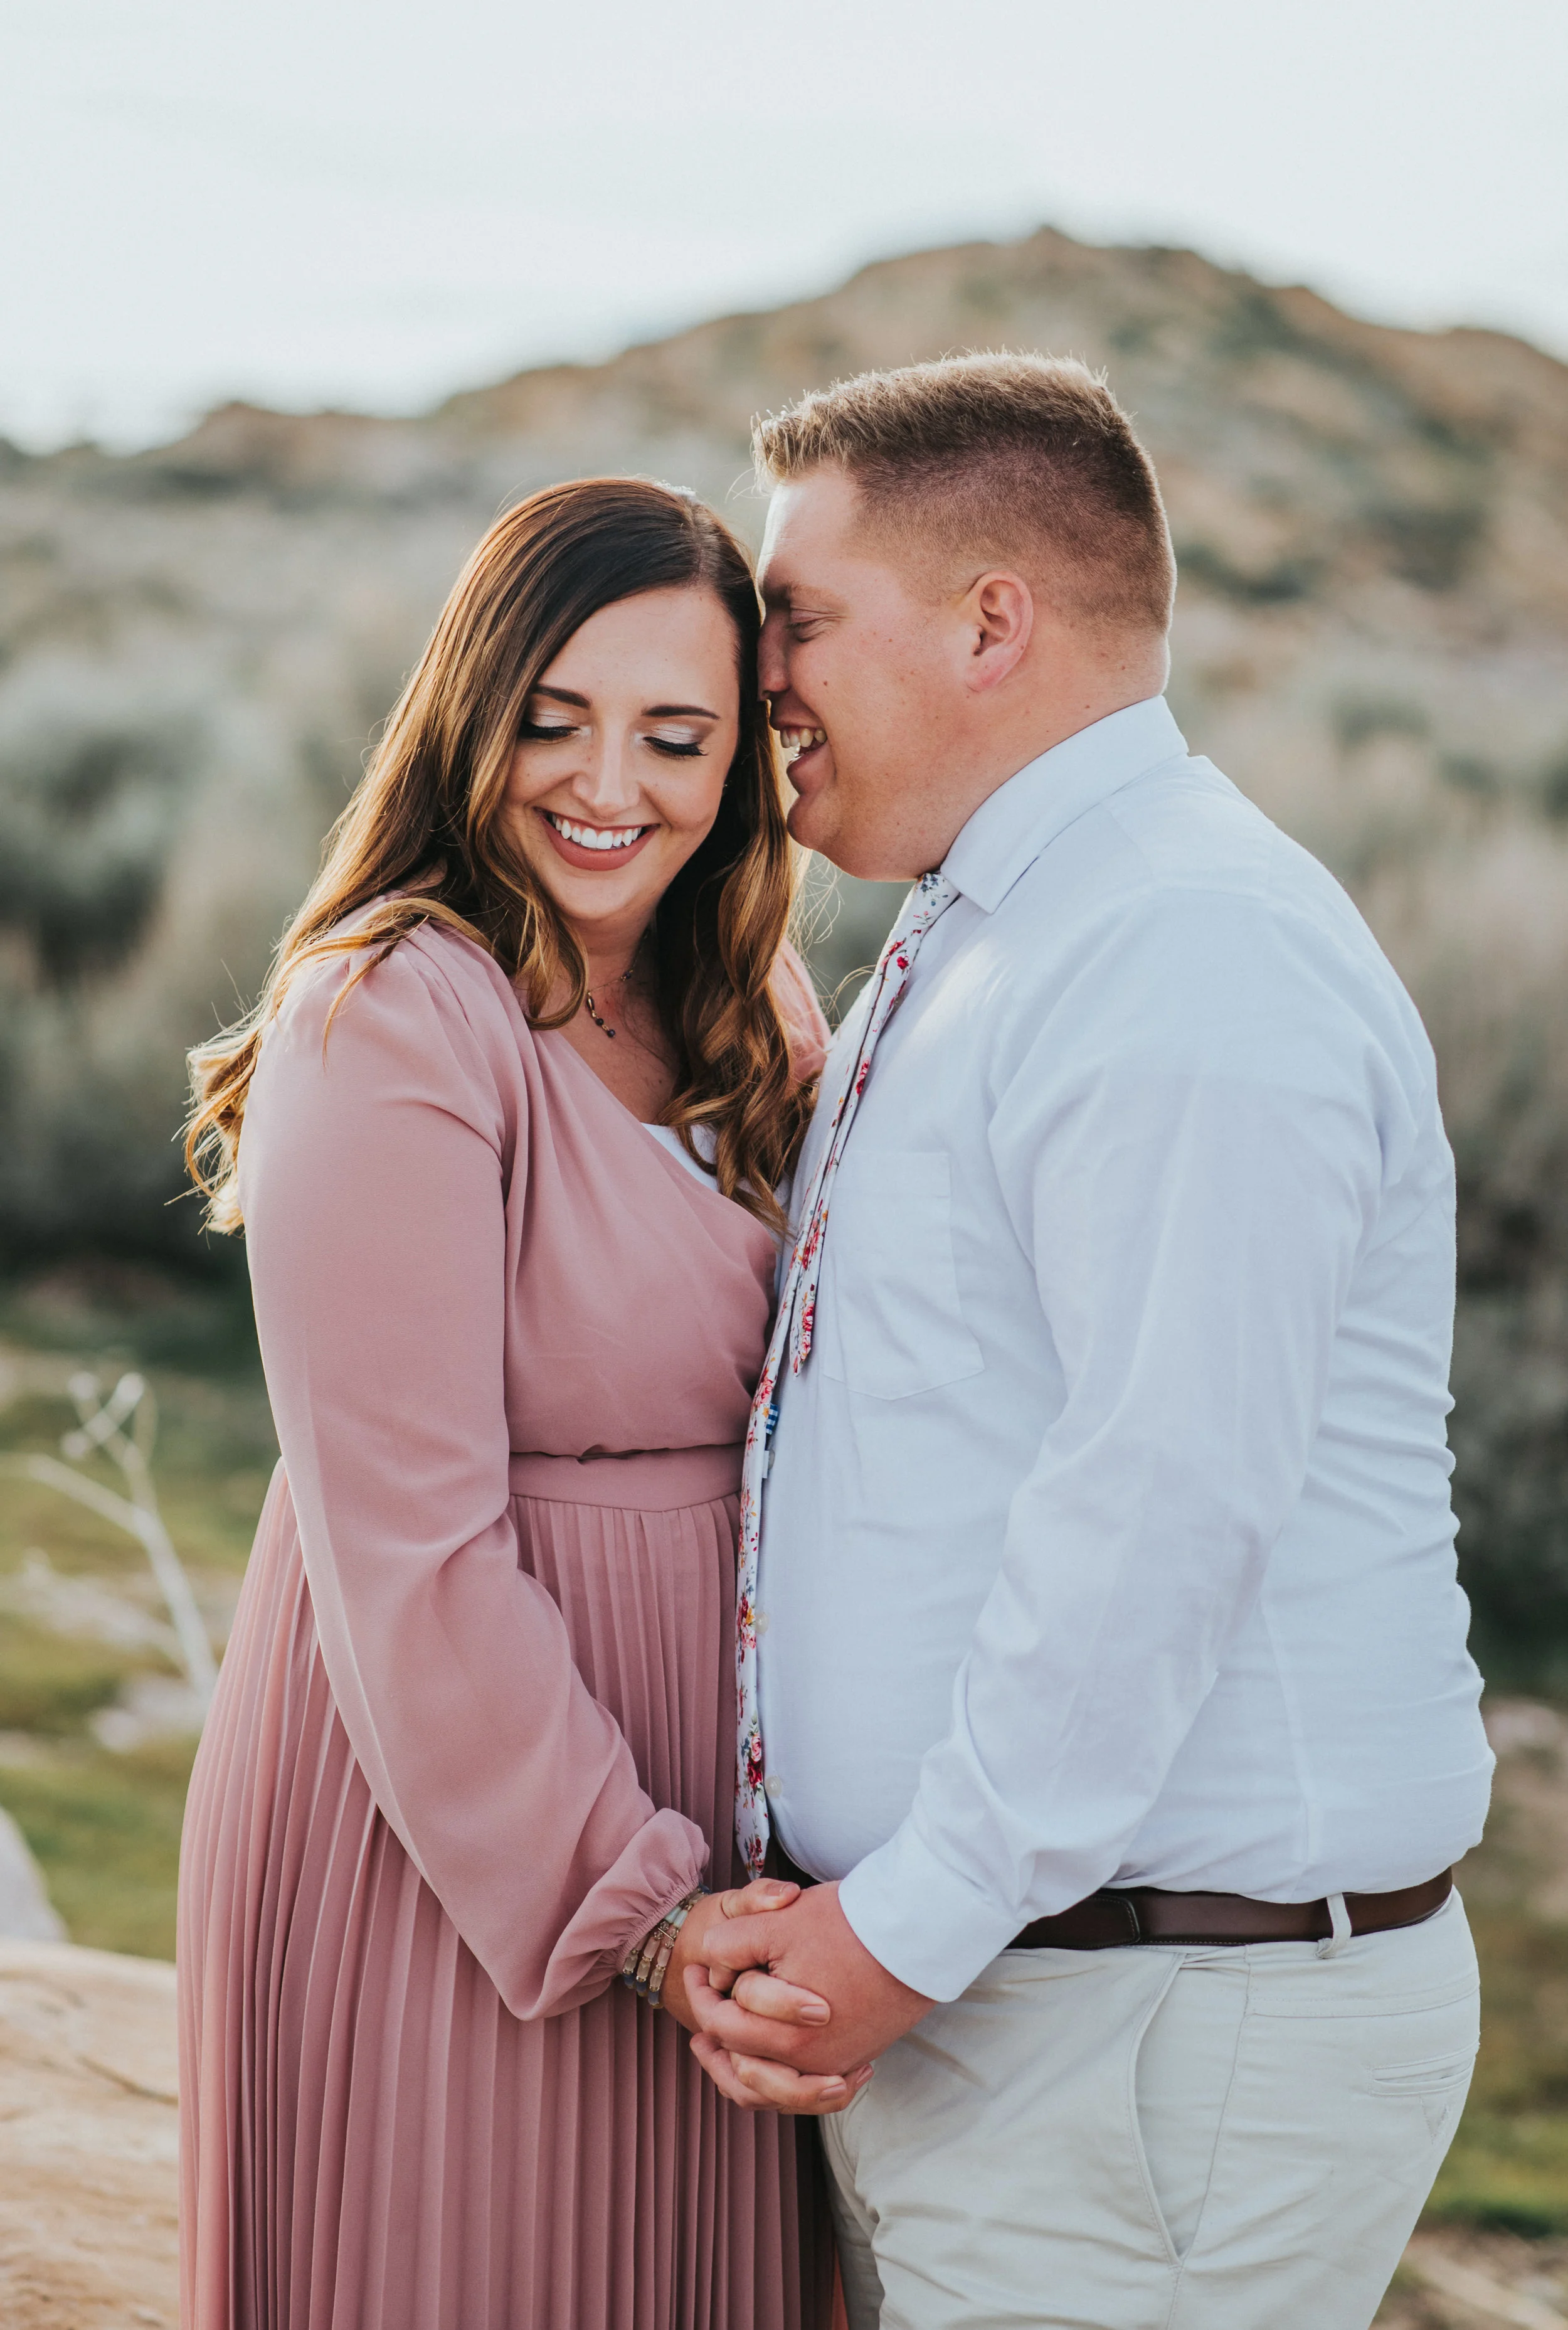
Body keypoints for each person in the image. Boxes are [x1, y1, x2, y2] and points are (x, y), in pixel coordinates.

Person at [685, 356, 1495, 2330]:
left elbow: (1160, 1502)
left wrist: (899, 1933)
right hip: (1062, 2013)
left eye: (797, 611)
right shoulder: (998, 931)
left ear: (992, 622)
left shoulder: (1178, 949)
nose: (757, 668)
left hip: (1155, 2042)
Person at [176, 476, 857, 2330]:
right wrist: (637, 1911)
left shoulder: (750, 1002)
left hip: (717, 1805)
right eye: (549, 718)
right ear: (466, 711)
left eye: (673, 733)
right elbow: (404, 1544)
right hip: (462, 1818)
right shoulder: (390, 1013)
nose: (604, 782)